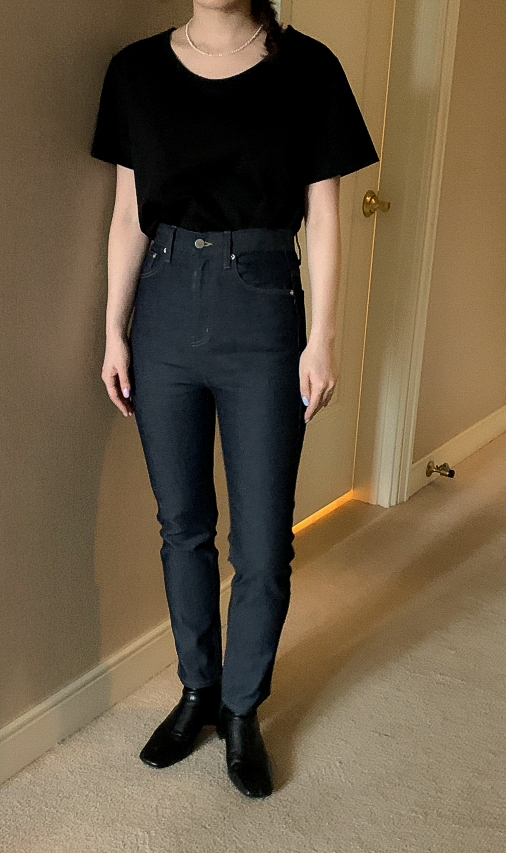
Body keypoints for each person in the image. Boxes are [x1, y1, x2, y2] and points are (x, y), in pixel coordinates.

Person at [90, 0, 379, 799]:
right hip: (164, 307)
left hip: (264, 306)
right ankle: (198, 690)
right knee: (181, 524)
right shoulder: (135, 72)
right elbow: (127, 213)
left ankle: (243, 707)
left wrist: (322, 338)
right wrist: (113, 329)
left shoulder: (309, 69)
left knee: (262, 539)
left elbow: (325, 217)